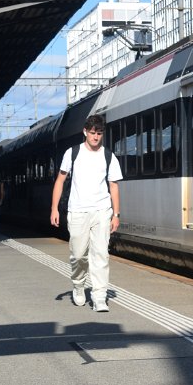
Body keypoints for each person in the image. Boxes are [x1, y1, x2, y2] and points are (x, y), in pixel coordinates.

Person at [50, 115, 122, 312]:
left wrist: (116, 214)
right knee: (78, 255)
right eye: (92, 133)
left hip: (101, 211)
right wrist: (54, 208)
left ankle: (100, 296)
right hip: (78, 211)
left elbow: (113, 186)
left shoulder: (108, 156)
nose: (96, 137)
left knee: (101, 255)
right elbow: (60, 181)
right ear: (85, 131)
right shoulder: (72, 153)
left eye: (99, 134)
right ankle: (79, 284)